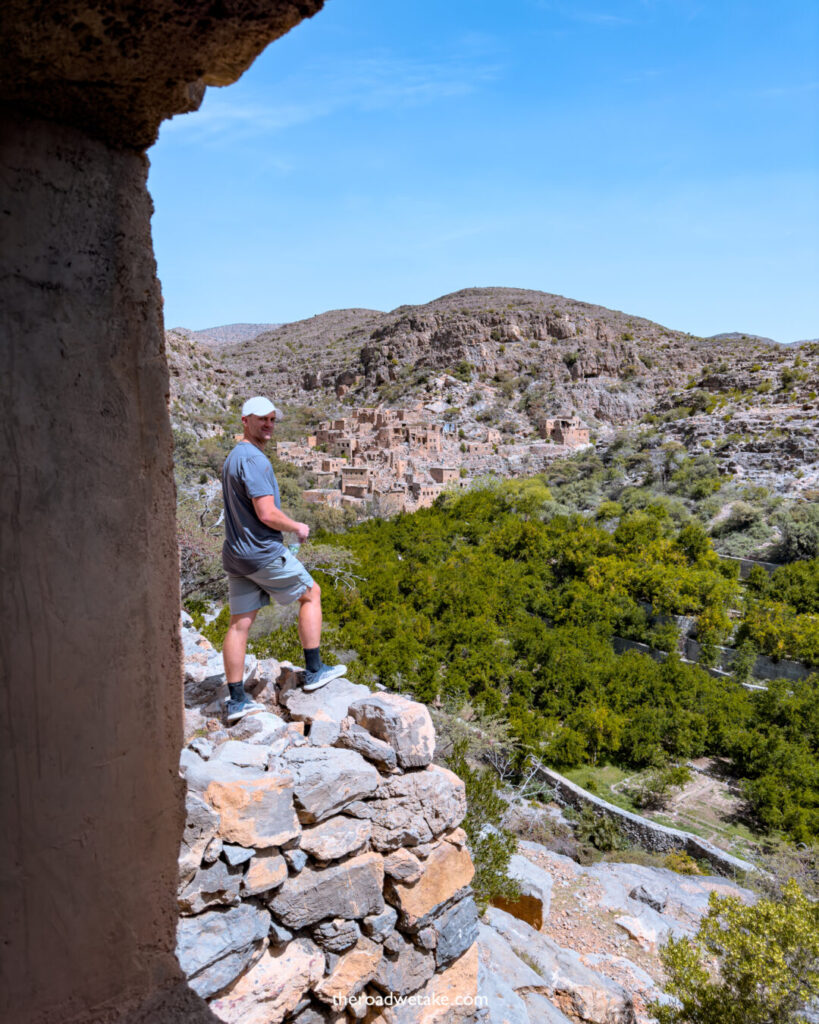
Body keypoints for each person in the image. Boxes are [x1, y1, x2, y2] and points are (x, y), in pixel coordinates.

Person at [220, 395, 346, 722]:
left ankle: (236, 701)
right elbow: (265, 513)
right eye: (262, 419)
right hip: (261, 552)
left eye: (273, 419)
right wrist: (296, 527)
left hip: (236, 555)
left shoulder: (233, 457)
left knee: (240, 624)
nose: (268, 424)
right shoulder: (255, 460)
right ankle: (315, 670)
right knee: (311, 593)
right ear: (245, 421)